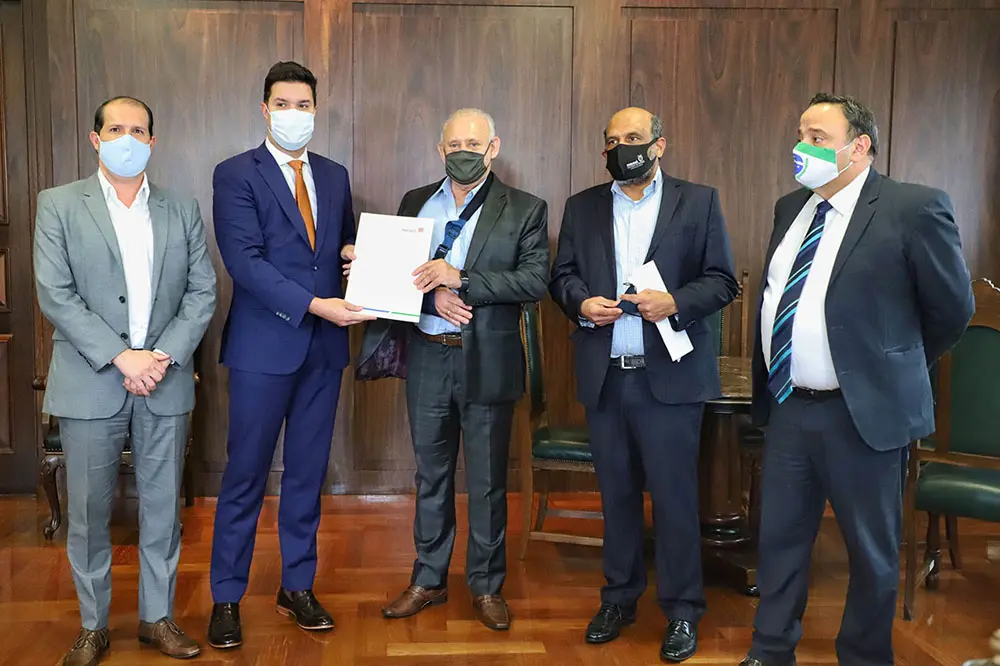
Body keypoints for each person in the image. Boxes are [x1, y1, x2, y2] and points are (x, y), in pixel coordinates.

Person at [740, 93, 974, 666]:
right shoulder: (789, 208)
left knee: (870, 553)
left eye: (817, 137)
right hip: (790, 406)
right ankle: (770, 651)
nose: (802, 146)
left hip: (863, 413)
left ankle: (865, 658)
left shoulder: (911, 208)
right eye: (800, 134)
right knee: (780, 541)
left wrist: (890, 368)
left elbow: (952, 310)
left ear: (859, 145)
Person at [550, 106, 738, 663]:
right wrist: (581, 303)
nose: (621, 147)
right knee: (617, 498)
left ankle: (682, 610)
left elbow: (722, 280)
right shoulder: (582, 206)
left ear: (659, 144)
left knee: (676, 500)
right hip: (607, 376)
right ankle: (619, 598)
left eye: (633, 137)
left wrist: (675, 301)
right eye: (612, 140)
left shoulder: (698, 201)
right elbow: (562, 276)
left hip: (671, 379)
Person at [34, 96, 217, 666]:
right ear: (96, 139)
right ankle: (93, 626)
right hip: (90, 381)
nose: (128, 140)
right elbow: (55, 294)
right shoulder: (58, 204)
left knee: (163, 510)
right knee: (88, 514)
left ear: (153, 142)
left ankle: (157, 618)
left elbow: (202, 291)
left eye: (139, 131)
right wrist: (121, 357)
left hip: (164, 379)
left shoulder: (180, 208)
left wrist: (160, 356)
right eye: (116, 129)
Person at [358, 108, 549, 631]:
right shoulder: (414, 202)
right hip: (428, 355)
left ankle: (486, 586)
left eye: (474, 143)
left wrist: (459, 278)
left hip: (488, 358)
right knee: (431, 475)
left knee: (486, 481)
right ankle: (428, 578)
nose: (464, 152)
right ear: (440, 150)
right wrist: (429, 294)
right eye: (454, 145)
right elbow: (400, 279)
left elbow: (534, 280)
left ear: (493, 148)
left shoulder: (526, 208)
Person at [207, 61, 373, 649]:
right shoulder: (235, 173)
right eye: (283, 104)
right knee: (245, 474)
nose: (293, 114)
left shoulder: (334, 174)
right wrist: (315, 305)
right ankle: (226, 595)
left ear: (315, 110)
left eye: (303, 105)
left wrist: (354, 255)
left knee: (307, 474)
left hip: (324, 352)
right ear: (264, 109)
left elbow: (340, 243)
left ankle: (296, 586)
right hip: (263, 347)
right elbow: (244, 263)